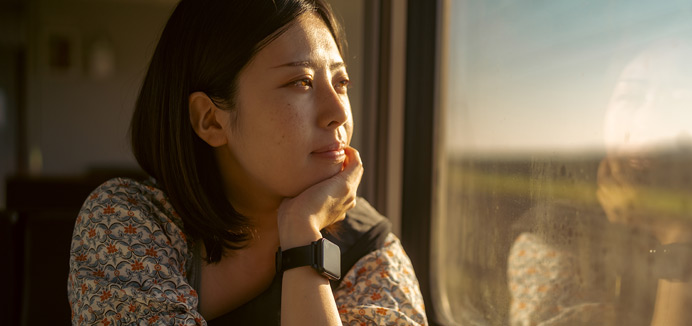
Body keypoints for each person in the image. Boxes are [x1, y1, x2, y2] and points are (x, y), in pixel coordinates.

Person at [66, 0, 427, 325]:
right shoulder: (127, 223)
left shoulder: (371, 250)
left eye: (341, 82)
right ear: (210, 119)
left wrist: (302, 230)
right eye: (301, 82)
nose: (338, 113)